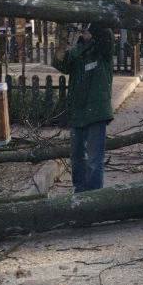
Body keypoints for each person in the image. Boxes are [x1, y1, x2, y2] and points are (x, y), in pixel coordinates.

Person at [51, 24, 114, 192]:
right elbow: (60, 63)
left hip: (96, 112)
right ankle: (79, 191)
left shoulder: (102, 49)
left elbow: (106, 36)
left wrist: (93, 27)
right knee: (77, 156)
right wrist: (62, 41)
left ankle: (94, 195)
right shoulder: (77, 51)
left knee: (94, 158)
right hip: (78, 111)